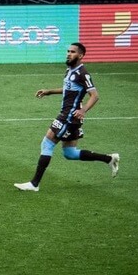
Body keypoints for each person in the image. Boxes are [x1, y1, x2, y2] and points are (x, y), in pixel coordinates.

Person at [14, 42, 119, 192]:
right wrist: (49, 91)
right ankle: (109, 159)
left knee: (47, 143)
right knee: (70, 153)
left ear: (81, 55)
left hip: (69, 116)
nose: (69, 54)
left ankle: (34, 184)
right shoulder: (70, 69)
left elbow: (94, 96)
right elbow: (68, 89)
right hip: (71, 116)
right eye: (68, 51)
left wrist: (83, 111)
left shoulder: (83, 73)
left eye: (73, 52)